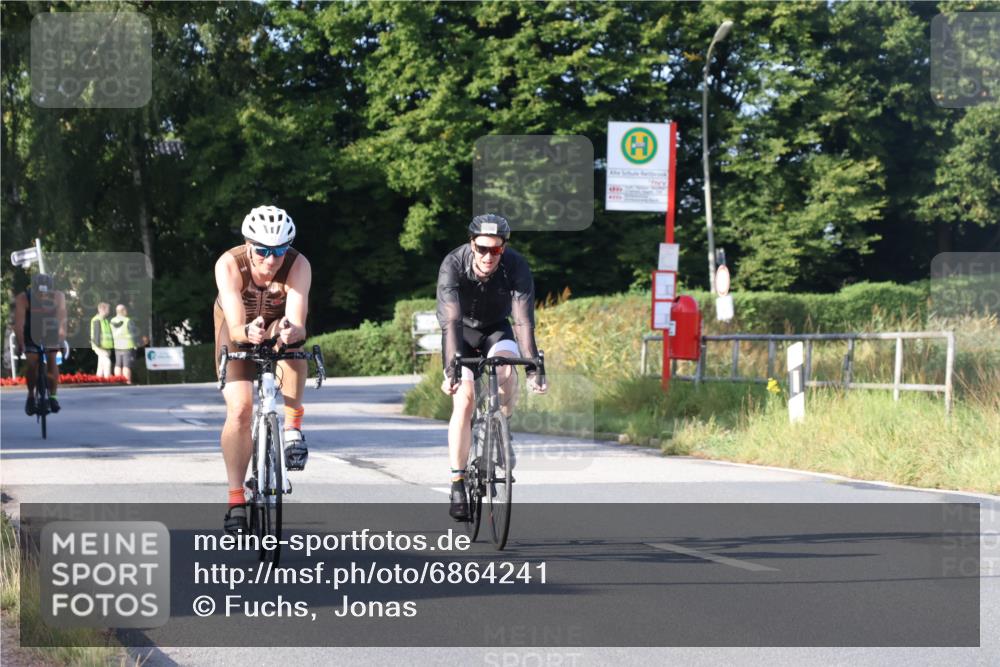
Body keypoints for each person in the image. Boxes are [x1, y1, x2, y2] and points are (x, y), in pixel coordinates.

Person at [436, 214, 547, 521]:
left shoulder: (516, 266)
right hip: (460, 332)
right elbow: (451, 321)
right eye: (482, 248)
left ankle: (501, 429)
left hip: (497, 328)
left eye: (495, 250)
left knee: (507, 371)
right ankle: (458, 481)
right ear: (472, 244)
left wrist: (534, 369)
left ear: (504, 248)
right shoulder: (453, 264)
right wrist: (451, 370)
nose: (488, 256)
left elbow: (523, 320)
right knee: (466, 398)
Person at [214, 205, 312, 534]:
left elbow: (298, 321)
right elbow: (236, 324)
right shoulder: (229, 264)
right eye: (263, 251)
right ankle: (235, 498)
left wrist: (290, 331)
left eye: (280, 251)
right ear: (248, 245)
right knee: (240, 409)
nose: (271, 260)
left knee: (296, 350)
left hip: (276, 325)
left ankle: (292, 427)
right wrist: (247, 332)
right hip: (237, 328)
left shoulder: (298, 265)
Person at [13, 273, 67, 415]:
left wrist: (61, 339)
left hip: (50, 330)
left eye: (46, 293)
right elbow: (19, 325)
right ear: (34, 290)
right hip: (31, 330)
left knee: (52, 359)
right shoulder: (23, 298)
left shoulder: (58, 297)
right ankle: (31, 396)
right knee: (31, 362)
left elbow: (62, 320)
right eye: (40, 293)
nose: (43, 296)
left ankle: (53, 397)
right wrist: (21, 344)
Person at [109, 304, 140, 384]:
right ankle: (127, 381)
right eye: (125, 310)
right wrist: (136, 344)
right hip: (127, 346)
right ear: (123, 311)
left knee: (118, 364)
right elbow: (133, 334)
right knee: (126, 365)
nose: (126, 312)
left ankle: (118, 381)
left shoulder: (112, 321)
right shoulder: (127, 320)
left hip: (117, 345)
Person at [90, 302, 114, 378]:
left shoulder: (105, 320)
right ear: (102, 309)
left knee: (101, 363)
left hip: (105, 346)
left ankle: (99, 378)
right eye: (107, 309)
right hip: (100, 346)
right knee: (107, 362)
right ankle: (107, 378)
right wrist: (98, 345)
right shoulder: (97, 319)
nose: (109, 311)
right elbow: (96, 333)